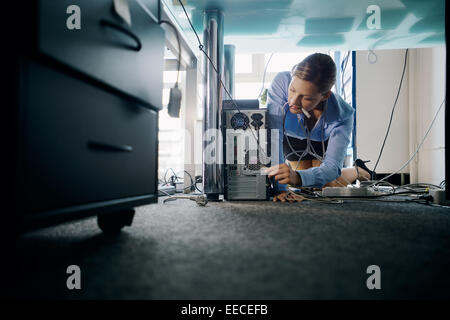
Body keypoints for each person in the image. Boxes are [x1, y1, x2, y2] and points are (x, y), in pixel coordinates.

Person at [264, 53, 375, 202]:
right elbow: (274, 137)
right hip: (292, 139)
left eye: (306, 97)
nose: (293, 101)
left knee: (327, 186)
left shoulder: (343, 115)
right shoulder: (281, 83)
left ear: (325, 95)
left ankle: (359, 171)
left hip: (323, 141)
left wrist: (297, 177)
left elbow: (331, 167)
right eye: (292, 90)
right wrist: (280, 189)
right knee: (304, 188)